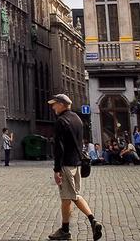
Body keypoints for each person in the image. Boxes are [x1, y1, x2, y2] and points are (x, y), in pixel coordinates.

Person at [47, 94, 103, 241]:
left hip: (66, 165)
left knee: (73, 196)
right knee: (67, 198)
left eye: (55, 104)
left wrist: (56, 169)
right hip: (77, 164)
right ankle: (64, 229)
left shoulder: (61, 121)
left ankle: (92, 221)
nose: (53, 107)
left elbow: (59, 148)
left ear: (62, 104)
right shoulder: (77, 119)